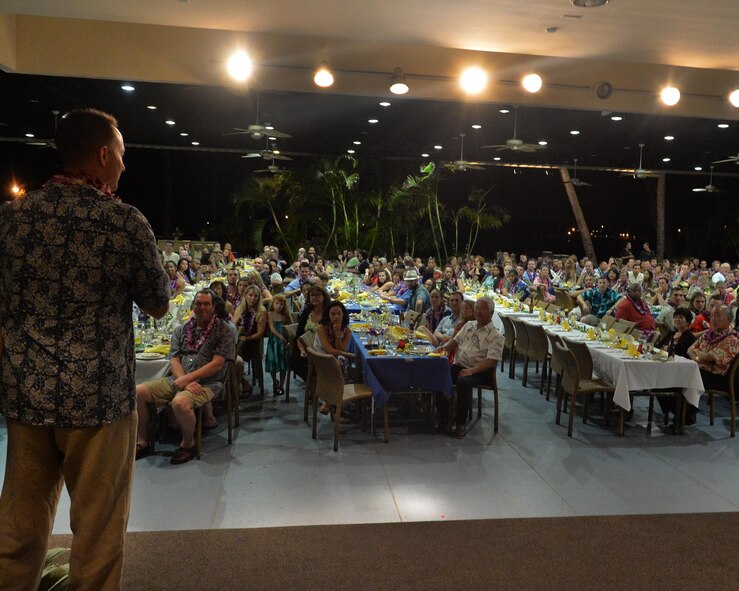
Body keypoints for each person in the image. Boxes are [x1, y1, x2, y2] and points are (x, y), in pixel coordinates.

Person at [0, 108, 170, 590]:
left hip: (27, 400)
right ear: (101, 155)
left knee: (17, 531)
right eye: (120, 154)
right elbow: (158, 303)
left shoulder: (13, 218)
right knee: (96, 537)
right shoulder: (123, 223)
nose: (123, 165)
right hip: (99, 404)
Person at [136, 290, 235, 464]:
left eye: (206, 304)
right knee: (139, 391)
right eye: (198, 304)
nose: (202, 307)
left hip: (208, 382)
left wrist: (186, 380)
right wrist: (183, 380)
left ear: (214, 307)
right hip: (180, 379)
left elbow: (217, 363)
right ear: (192, 307)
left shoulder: (223, 330)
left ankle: (188, 444)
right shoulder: (181, 330)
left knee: (179, 403)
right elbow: (174, 358)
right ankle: (142, 441)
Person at [435, 297, 504, 439]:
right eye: (477, 308)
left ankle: (461, 424)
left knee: (463, 382)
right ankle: (445, 416)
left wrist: (471, 371)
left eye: (483, 309)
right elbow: (454, 341)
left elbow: (491, 361)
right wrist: (442, 348)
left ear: (491, 313)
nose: (478, 311)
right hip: (461, 364)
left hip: (481, 370)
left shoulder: (495, 335)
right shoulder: (468, 325)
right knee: (439, 374)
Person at [686, 305, 739, 424]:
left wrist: (698, 355)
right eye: (712, 316)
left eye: (718, 316)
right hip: (701, 369)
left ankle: (688, 414)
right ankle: (676, 410)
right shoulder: (710, 333)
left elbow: (709, 357)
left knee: (688, 374)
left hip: (718, 378)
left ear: (729, 318)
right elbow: (689, 349)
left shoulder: (732, 340)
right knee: (679, 369)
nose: (713, 319)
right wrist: (699, 356)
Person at [314, 301, 356, 418]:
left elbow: (341, 348)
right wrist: (349, 355)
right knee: (343, 363)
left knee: (341, 363)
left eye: (339, 314)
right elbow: (329, 350)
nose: (336, 317)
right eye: (333, 314)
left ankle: (329, 404)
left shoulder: (347, 331)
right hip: (322, 358)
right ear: (328, 315)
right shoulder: (321, 328)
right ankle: (338, 406)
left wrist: (337, 334)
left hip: (337, 360)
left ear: (344, 315)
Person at [233, 285, 268, 394]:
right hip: (239, 340)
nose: (253, 298)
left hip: (252, 343)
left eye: (256, 296)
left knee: (229, 359)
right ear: (245, 296)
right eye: (250, 295)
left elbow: (260, 333)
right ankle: (238, 384)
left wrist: (246, 338)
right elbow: (233, 327)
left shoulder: (261, 311)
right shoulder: (239, 308)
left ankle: (240, 386)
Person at [265, 294, 290, 397]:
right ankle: (275, 381)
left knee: (283, 365)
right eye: (277, 303)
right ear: (273, 304)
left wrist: (288, 341)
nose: (279, 306)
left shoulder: (286, 315)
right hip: (274, 341)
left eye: (281, 304)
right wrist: (280, 337)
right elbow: (271, 328)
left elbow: (289, 328)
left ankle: (281, 385)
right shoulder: (270, 313)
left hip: (283, 343)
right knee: (272, 363)